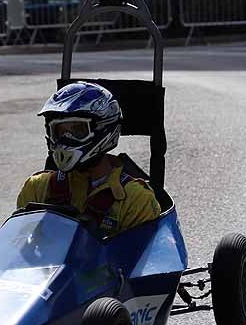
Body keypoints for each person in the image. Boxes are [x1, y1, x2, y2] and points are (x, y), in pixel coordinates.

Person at [16, 82, 161, 237]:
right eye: (59, 132)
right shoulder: (37, 188)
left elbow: (146, 258)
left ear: (103, 129)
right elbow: (17, 247)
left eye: (77, 130)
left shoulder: (136, 199)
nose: (66, 140)